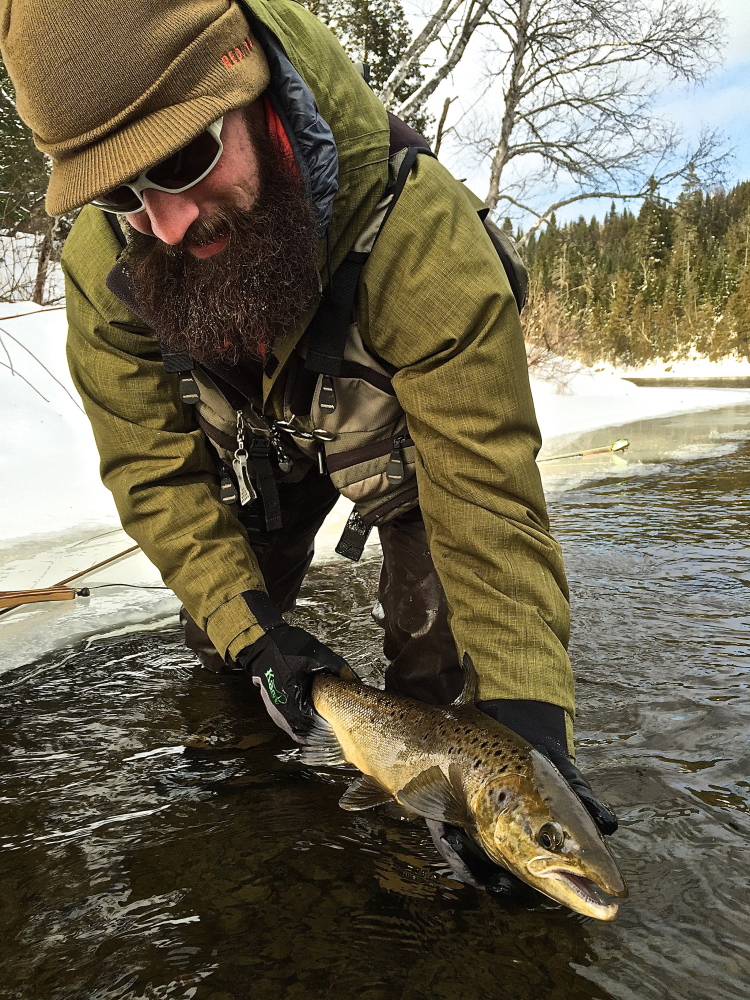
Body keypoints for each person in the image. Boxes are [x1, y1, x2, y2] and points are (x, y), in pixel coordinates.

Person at [0, 0, 617, 890]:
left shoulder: (422, 235)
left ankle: (415, 880)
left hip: (399, 456)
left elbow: (484, 496)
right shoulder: (108, 262)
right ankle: (246, 796)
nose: (165, 222)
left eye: (182, 159)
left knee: (439, 676)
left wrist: (527, 718)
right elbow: (150, 467)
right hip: (248, 457)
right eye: (118, 191)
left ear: (248, 82)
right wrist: (252, 634)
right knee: (235, 651)